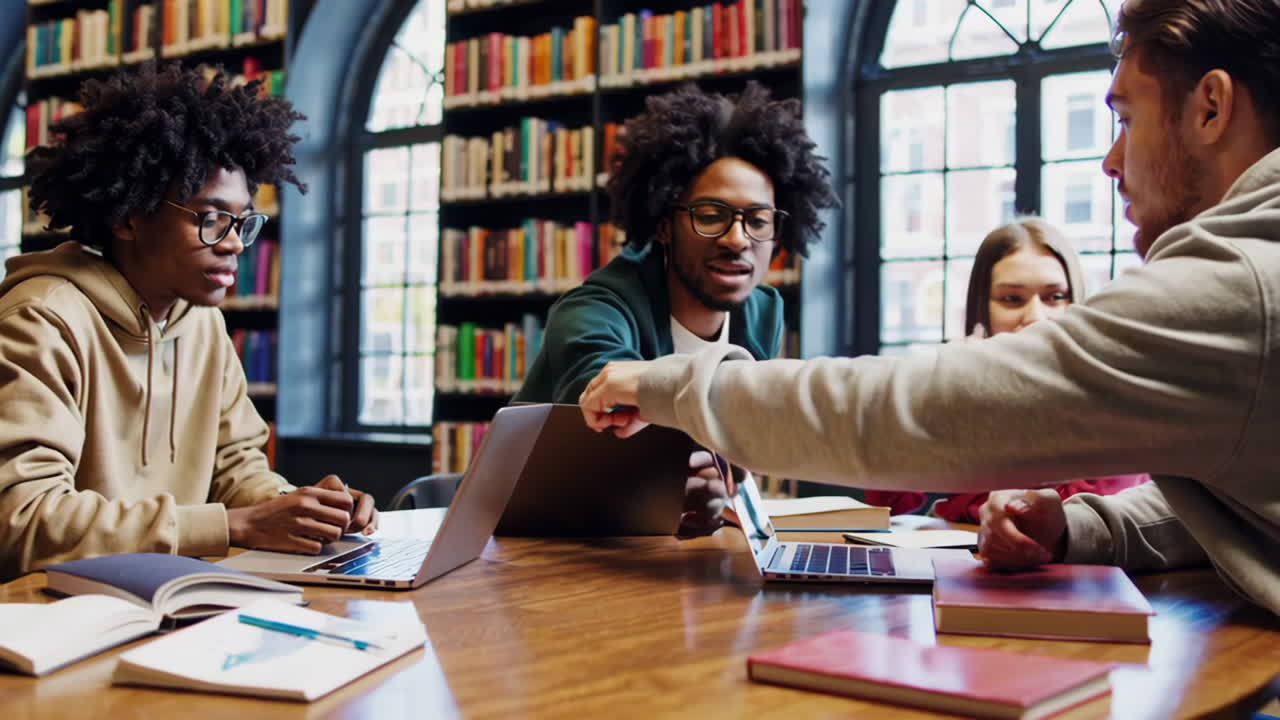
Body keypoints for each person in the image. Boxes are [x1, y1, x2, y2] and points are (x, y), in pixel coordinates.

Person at [578, 0, 1280, 615]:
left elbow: (922, 408)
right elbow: (1233, 504)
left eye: (1125, 117)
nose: (1110, 159)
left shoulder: (1238, 282)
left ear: (1211, 107)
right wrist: (1078, 531)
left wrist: (666, 382)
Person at [0, 62, 376, 580]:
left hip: (171, 595)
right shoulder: (40, 320)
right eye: (210, 218)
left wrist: (300, 508)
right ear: (128, 217)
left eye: (243, 222)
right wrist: (233, 525)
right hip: (50, 617)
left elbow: (236, 472)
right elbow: (23, 522)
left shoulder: (201, 325)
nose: (231, 243)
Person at [513, 81, 837, 534]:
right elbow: (602, 393)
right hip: (541, 548)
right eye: (710, 215)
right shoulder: (594, 308)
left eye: (757, 220)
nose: (737, 239)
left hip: (659, 549)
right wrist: (673, 478)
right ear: (664, 225)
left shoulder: (762, 311)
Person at [863, 218, 1149, 521]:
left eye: (1055, 297)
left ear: (1075, 301)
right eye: (1012, 299)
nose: (1036, 317)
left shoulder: (1113, 391)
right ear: (982, 308)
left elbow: (1091, 513)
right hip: (971, 558)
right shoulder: (968, 383)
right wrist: (935, 390)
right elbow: (890, 498)